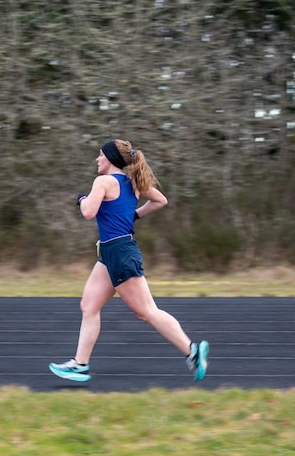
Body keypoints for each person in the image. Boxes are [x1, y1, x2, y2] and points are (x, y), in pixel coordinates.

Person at [49, 139, 209, 382]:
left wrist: (82, 199)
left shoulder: (103, 182)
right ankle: (79, 364)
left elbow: (88, 212)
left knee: (147, 312)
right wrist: (134, 215)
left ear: (111, 159)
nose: (97, 159)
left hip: (121, 253)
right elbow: (160, 200)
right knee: (89, 306)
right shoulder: (132, 183)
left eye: (100, 155)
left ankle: (193, 352)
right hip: (111, 255)